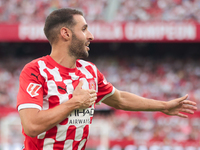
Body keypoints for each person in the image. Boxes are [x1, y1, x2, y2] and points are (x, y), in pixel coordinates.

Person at [16, 8, 197, 150]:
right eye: (84, 29)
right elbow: (31, 125)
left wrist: (164, 106)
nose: (91, 36)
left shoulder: (89, 71)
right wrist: (74, 103)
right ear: (66, 33)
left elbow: (119, 99)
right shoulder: (36, 70)